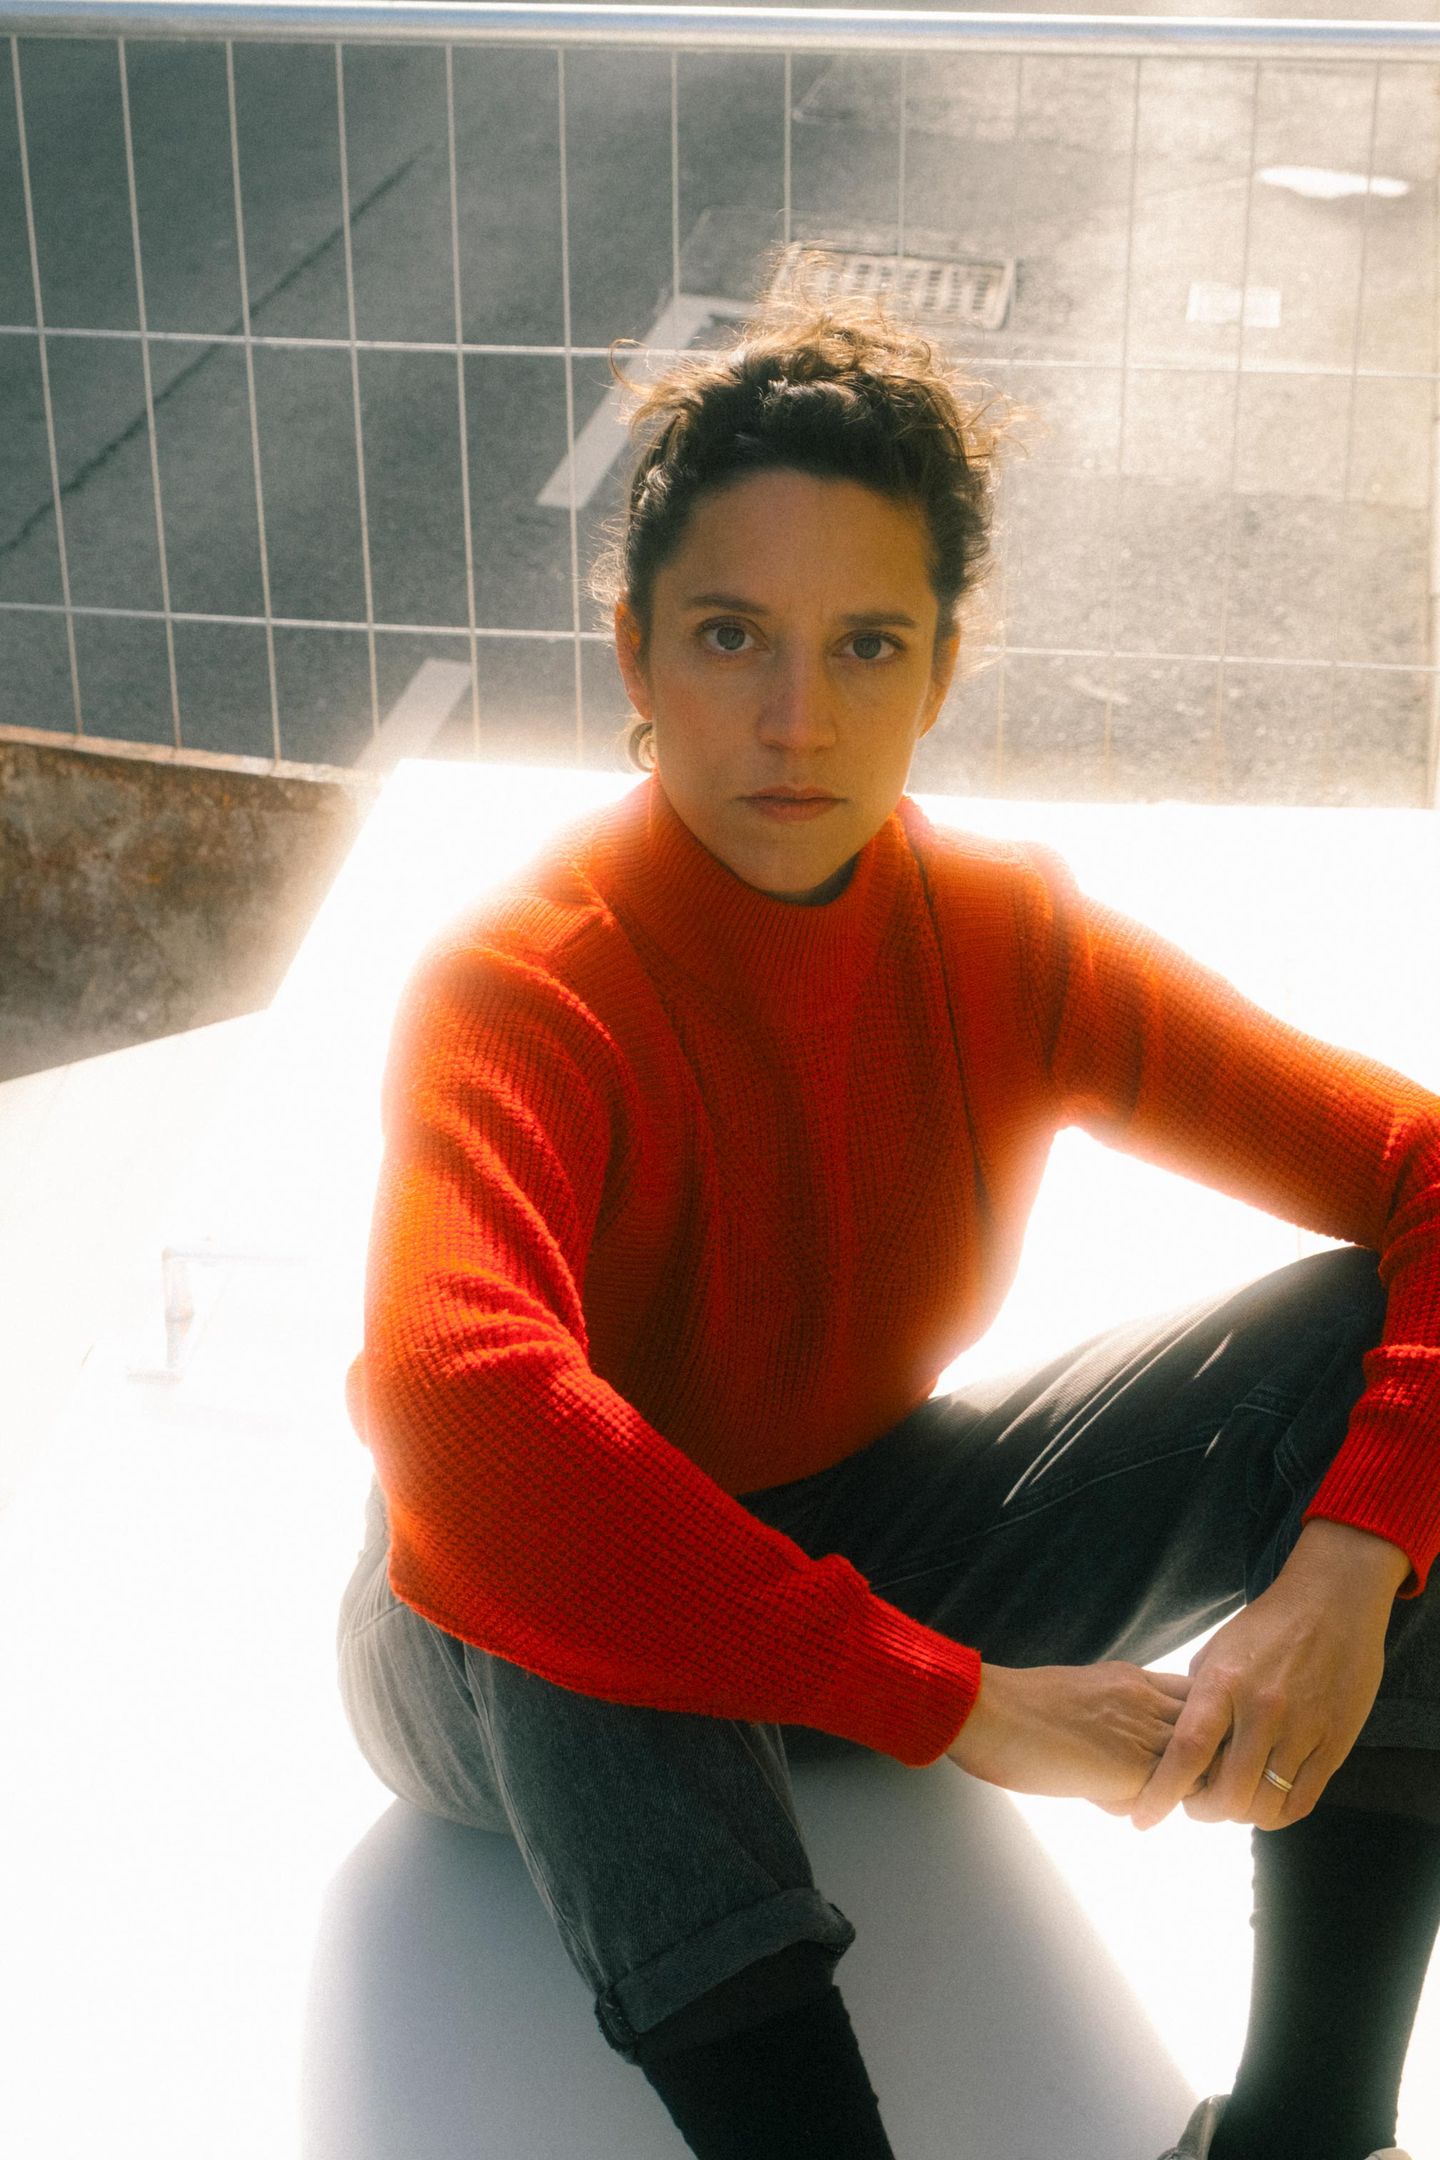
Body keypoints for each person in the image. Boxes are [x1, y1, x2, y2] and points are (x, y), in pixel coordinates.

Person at [334, 252, 1440, 2160]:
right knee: (569, 1556)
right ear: (635, 658)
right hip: (484, 1649)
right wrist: (955, 1704)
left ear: (940, 670)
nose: (797, 719)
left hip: (867, 1528)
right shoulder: (525, 987)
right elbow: (461, 1405)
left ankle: (1306, 2137)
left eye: (864, 646)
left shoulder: (1004, 941)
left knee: (1390, 1375)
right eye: (731, 636)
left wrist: (1353, 1568)